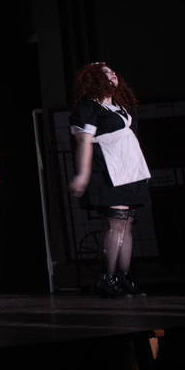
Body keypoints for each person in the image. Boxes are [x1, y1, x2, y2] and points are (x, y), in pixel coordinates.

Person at [68, 62, 150, 297]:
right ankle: (107, 277)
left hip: (129, 171)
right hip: (108, 171)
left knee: (127, 224)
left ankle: (124, 277)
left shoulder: (119, 107)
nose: (113, 75)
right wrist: (82, 174)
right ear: (95, 80)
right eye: (106, 74)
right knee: (116, 224)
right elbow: (84, 142)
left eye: (113, 72)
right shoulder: (89, 107)